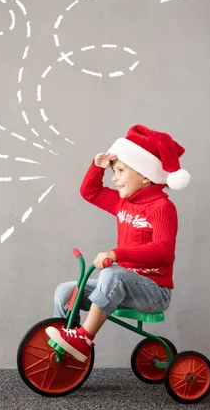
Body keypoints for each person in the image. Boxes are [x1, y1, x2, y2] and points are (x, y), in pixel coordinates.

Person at [45, 124, 190, 363]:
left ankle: (83, 340)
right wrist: (96, 166)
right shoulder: (124, 203)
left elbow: (163, 251)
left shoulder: (162, 207)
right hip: (122, 286)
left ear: (145, 175)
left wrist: (116, 254)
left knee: (112, 273)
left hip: (153, 292)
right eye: (114, 171)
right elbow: (89, 192)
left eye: (121, 171)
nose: (114, 178)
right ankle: (66, 343)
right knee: (65, 291)